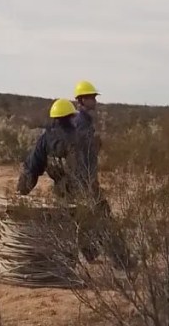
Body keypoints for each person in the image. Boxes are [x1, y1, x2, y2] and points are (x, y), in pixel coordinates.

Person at [17, 98, 132, 268]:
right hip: (85, 189)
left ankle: (81, 256)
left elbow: (32, 166)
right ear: (71, 116)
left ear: (54, 118)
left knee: (69, 225)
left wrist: (21, 192)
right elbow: (87, 166)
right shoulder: (81, 137)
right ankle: (123, 262)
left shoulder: (45, 139)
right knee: (105, 222)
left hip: (61, 192)